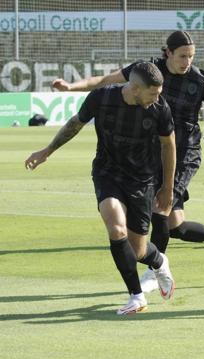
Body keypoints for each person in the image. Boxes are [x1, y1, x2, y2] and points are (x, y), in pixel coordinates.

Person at [51, 31, 204, 291]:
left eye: (191, 56)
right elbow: (106, 80)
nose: (187, 61)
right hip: (152, 154)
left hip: (185, 153)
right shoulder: (147, 71)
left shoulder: (200, 81)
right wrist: (71, 87)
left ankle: (152, 273)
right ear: (167, 52)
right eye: (182, 56)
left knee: (161, 211)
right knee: (175, 225)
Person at [25, 62, 176, 315]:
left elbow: (168, 146)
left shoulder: (160, 109)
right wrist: (46, 151)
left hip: (142, 179)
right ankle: (136, 296)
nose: (158, 98)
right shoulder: (102, 98)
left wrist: (167, 188)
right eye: (153, 93)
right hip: (108, 173)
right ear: (136, 89)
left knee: (139, 250)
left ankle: (159, 261)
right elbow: (75, 124)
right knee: (116, 229)